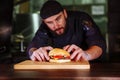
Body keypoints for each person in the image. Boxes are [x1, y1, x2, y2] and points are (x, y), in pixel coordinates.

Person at [27, 0, 106, 62]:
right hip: (58, 70)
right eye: (49, 22)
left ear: (65, 13)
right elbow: (33, 46)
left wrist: (86, 55)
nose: (56, 25)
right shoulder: (44, 27)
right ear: (44, 22)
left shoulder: (82, 19)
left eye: (58, 19)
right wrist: (34, 52)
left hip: (87, 66)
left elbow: (98, 43)